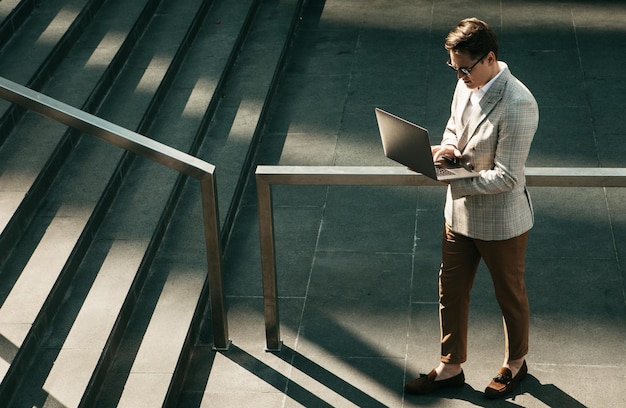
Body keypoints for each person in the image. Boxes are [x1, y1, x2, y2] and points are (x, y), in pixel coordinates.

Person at [404, 18, 539, 399]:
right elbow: (453, 126)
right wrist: (446, 149)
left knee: (509, 294)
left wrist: (452, 180)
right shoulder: (466, 83)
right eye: (454, 67)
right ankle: (450, 366)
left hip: (502, 222)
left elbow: (508, 178)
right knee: (451, 289)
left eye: (465, 68)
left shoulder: (518, 103)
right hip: (459, 215)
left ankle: (516, 363)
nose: (460, 75)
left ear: (490, 58)